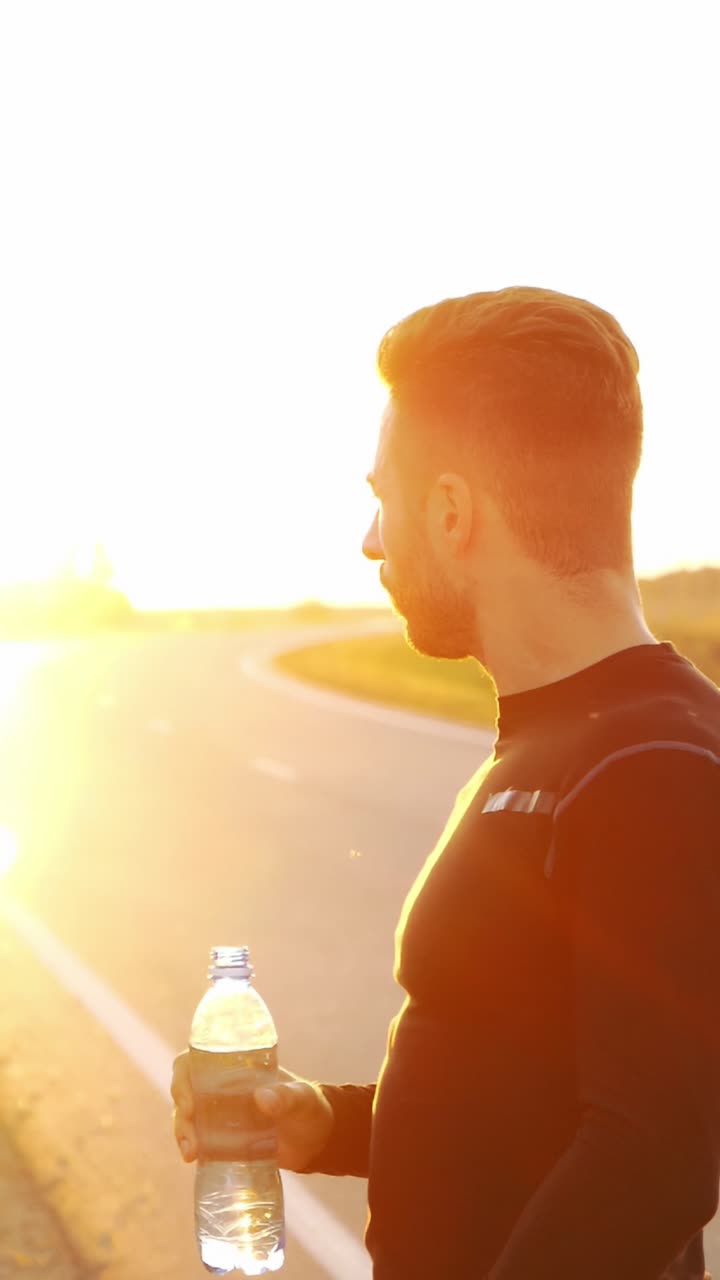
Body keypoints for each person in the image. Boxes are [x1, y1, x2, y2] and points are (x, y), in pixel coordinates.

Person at [172, 286, 720, 1279]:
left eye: (381, 497)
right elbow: (519, 1099)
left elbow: (658, 1155)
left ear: (454, 510)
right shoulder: (566, 740)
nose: (372, 540)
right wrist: (329, 1120)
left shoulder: (658, 765)